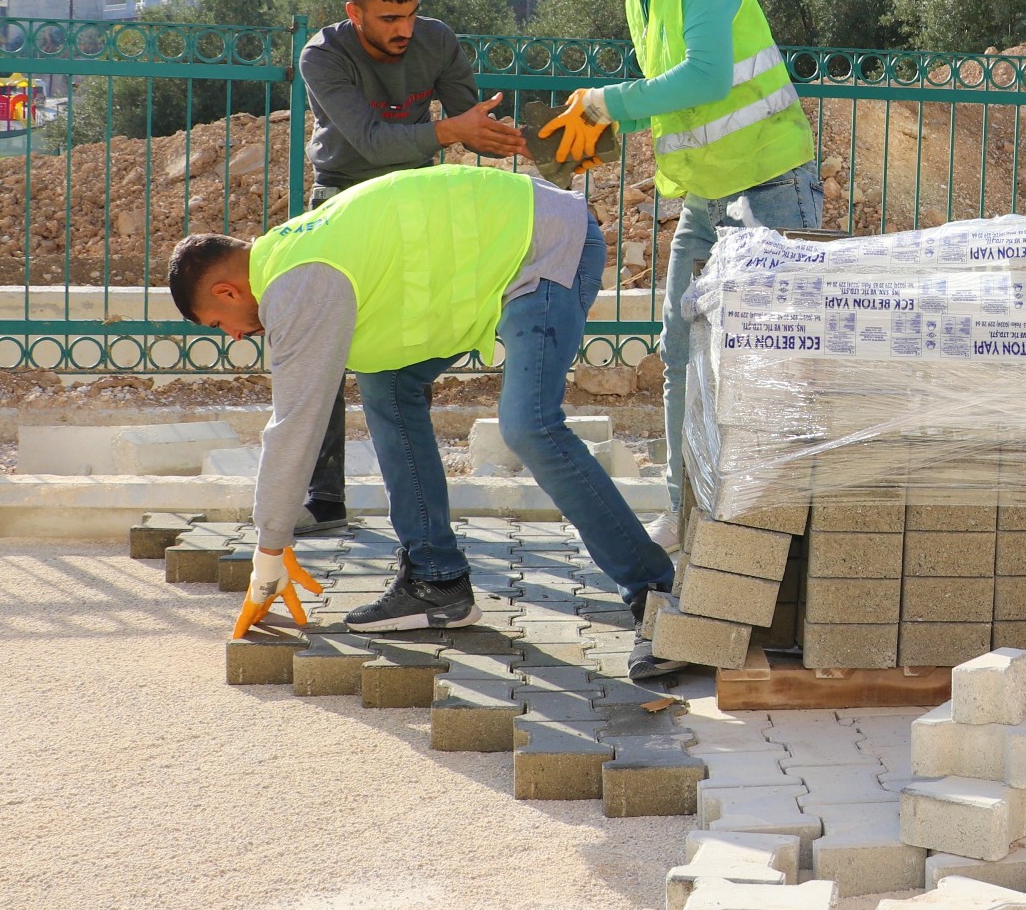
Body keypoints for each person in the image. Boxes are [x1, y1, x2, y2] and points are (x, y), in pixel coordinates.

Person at [168, 164, 673, 633]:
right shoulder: (290, 252)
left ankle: (653, 588)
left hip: (543, 246)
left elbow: (297, 423)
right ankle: (437, 581)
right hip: (509, 247)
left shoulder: (296, 282)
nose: (234, 336)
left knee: (528, 426)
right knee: (387, 385)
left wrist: (269, 549)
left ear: (227, 291)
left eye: (218, 324)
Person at [549, 0, 822, 548]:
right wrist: (603, 131)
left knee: (770, 364)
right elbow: (677, 95)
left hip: (772, 187)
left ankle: (775, 524)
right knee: (678, 350)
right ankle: (685, 512)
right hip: (707, 196)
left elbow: (703, 74)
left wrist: (608, 103)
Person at [290, 0, 526, 537]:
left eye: (411, 15)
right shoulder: (323, 55)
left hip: (415, 204)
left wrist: (537, 140)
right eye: (389, 19)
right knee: (323, 350)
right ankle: (323, 498)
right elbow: (371, 141)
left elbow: (477, 126)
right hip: (342, 200)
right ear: (355, 12)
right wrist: (450, 130)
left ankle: (421, 527)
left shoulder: (436, 40)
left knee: (403, 361)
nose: (404, 30)